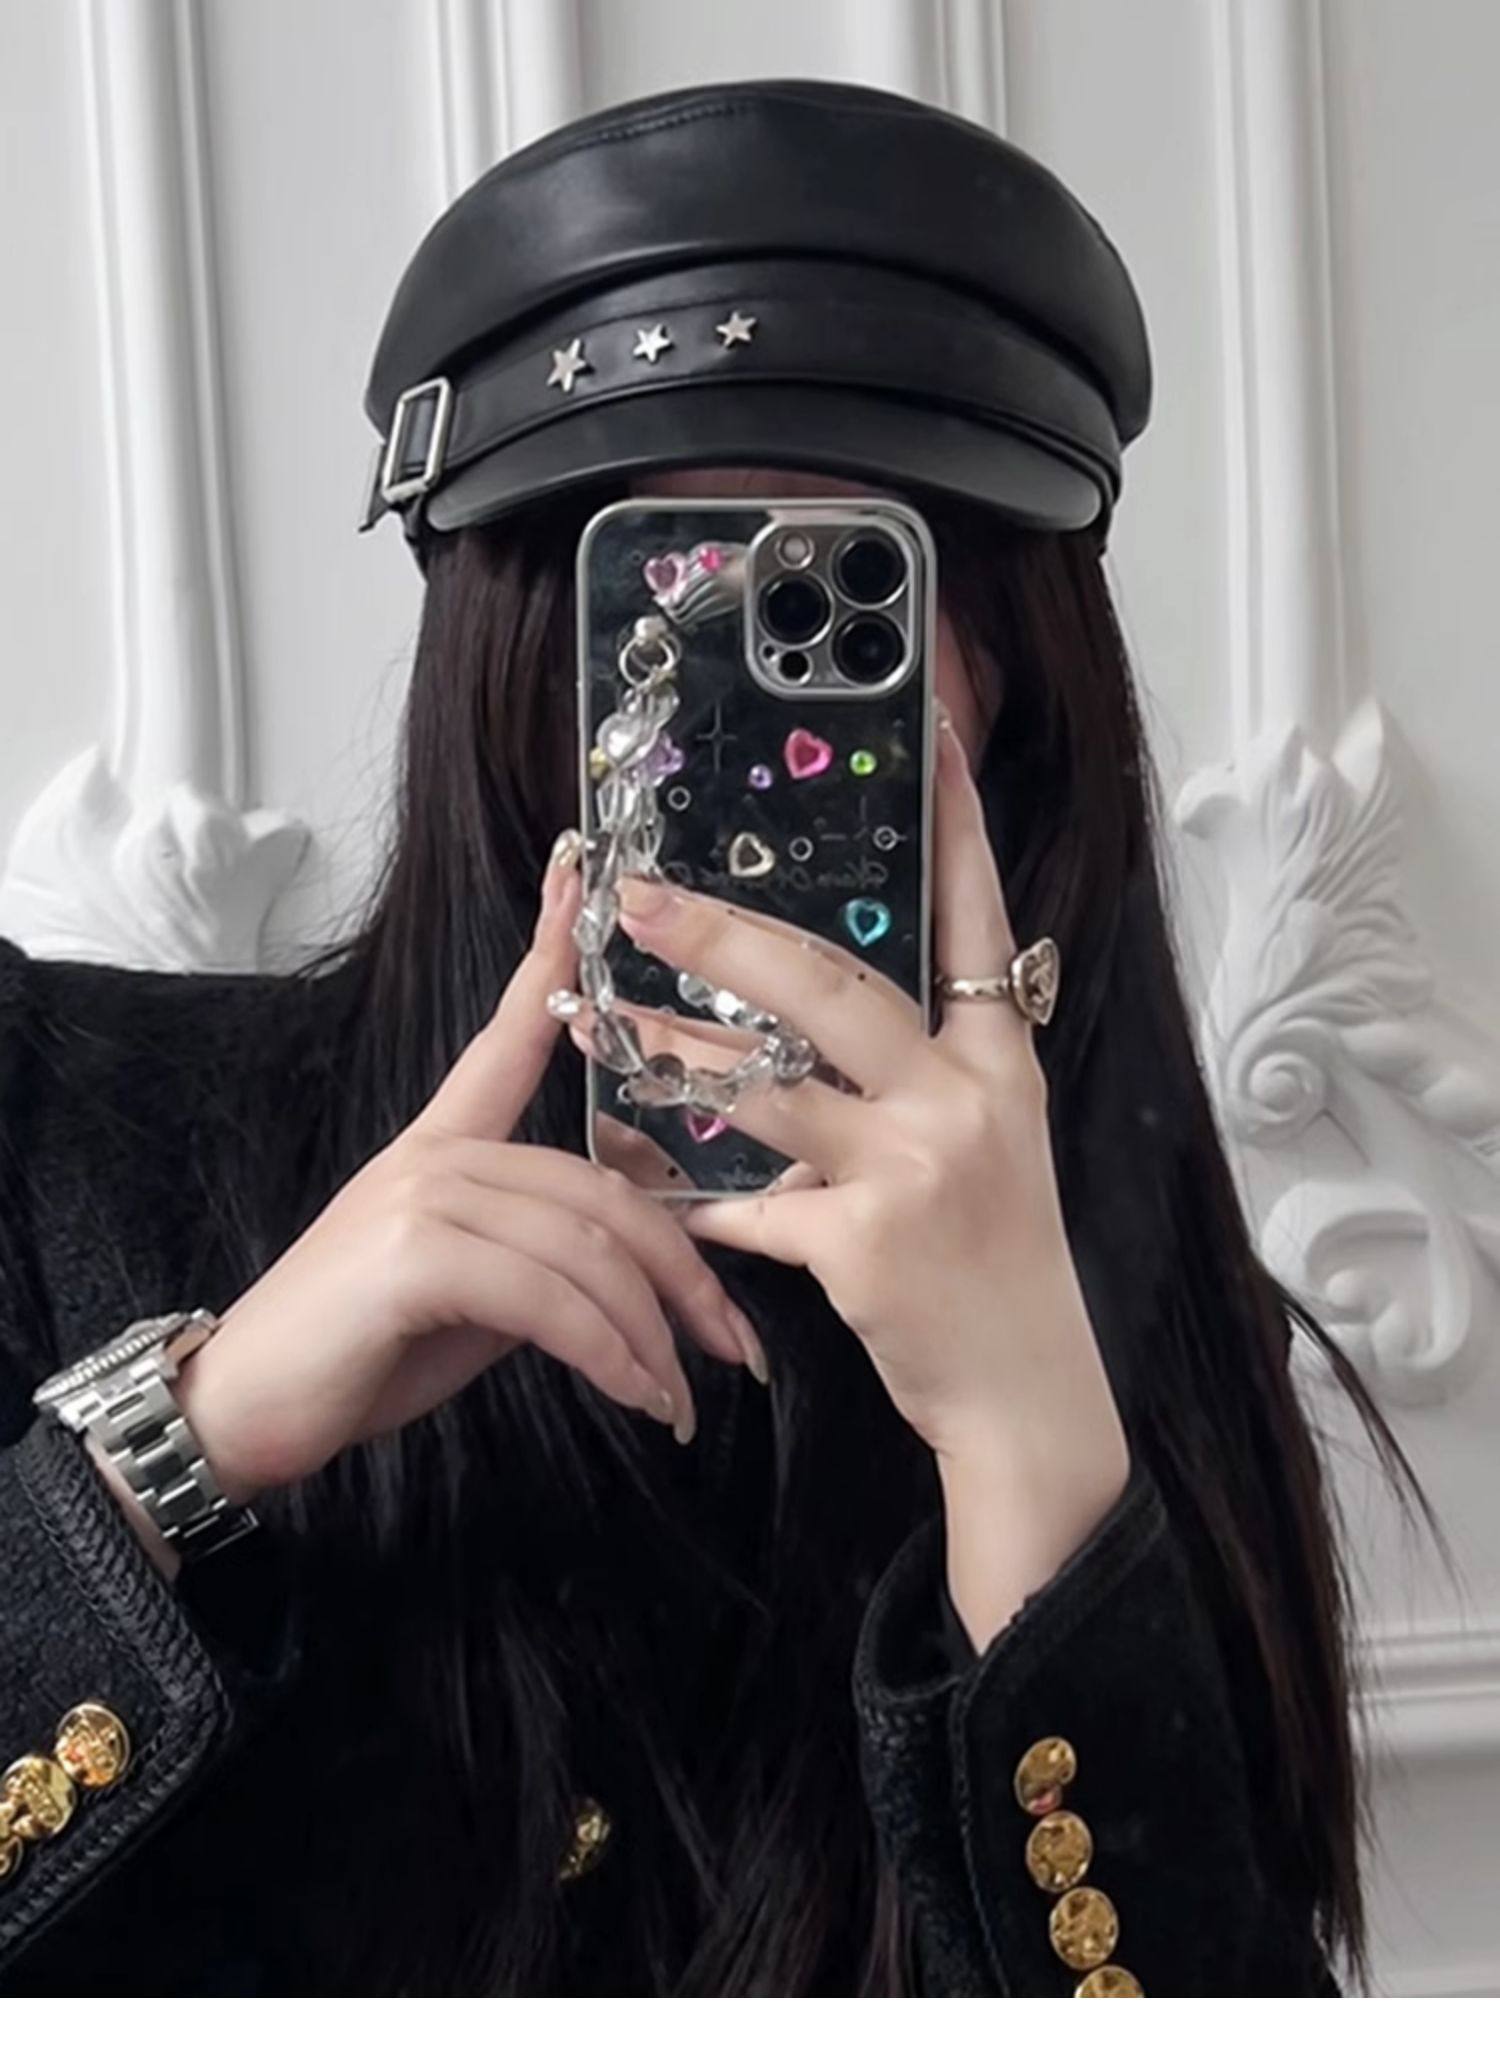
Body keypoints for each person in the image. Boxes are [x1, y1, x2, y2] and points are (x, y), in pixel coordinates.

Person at [0, 76, 1439, 1998]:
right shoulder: (64, 1123)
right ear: (505, 648)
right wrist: (186, 1438)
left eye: (858, 598)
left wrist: (1032, 1460)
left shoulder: (1132, 1311)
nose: (744, 733)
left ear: (1014, 686)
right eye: (660, 600)